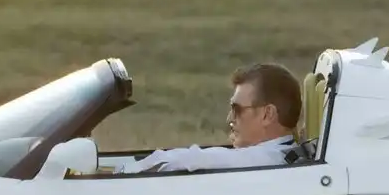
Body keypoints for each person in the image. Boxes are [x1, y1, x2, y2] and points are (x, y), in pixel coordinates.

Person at [118, 63, 303, 174]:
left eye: (237, 109)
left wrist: (123, 172)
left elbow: (192, 161)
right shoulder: (281, 156)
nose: (230, 118)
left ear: (267, 114)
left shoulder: (263, 160)